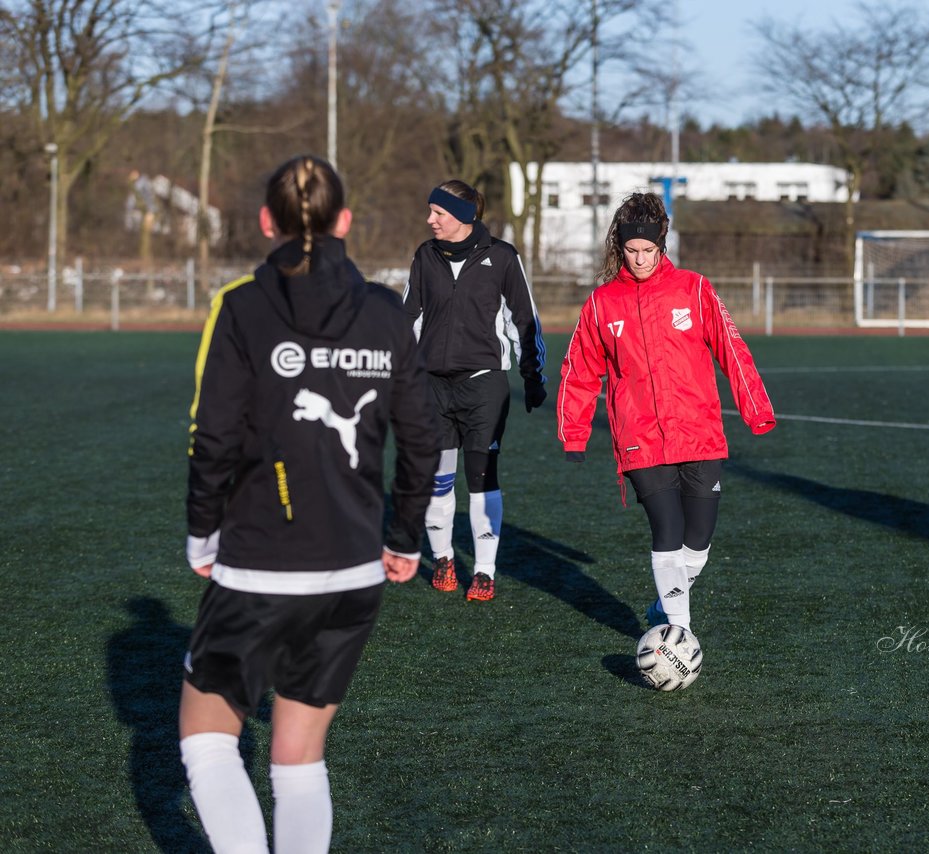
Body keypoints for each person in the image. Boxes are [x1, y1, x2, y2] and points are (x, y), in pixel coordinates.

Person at [181, 155, 442, 853]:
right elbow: (423, 437)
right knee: (299, 758)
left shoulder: (239, 305)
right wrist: (406, 537)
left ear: (267, 221)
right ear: (345, 223)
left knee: (207, 740)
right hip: (352, 575)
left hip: (258, 567)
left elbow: (214, 436)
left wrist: (201, 535)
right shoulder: (387, 312)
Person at [557, 191, 775, 634]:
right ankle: (680, 632)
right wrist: (574, 432)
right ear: (620, 247)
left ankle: (663, 606)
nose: (639, 260)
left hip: (699, 432)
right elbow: (578, 370)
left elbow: (732, 350)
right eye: (631, 251)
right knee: (668, 531)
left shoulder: (694, 289)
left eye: (647, 251)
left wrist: (756, 407)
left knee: (698, 542)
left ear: (663, 245)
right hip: (640, 437)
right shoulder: (602, 304)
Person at [402, 179, 547, 602]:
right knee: (438, 480)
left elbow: (526, 320)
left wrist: (532, 376)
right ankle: (443, 560)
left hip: (484, 385)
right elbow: (407, 318)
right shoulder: (424, 256)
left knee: (481, 478)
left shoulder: (501, 258)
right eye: (430, 212)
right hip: (432, 387)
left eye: (438, 213)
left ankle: (484, 571)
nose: (430, 220)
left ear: (464, 217)